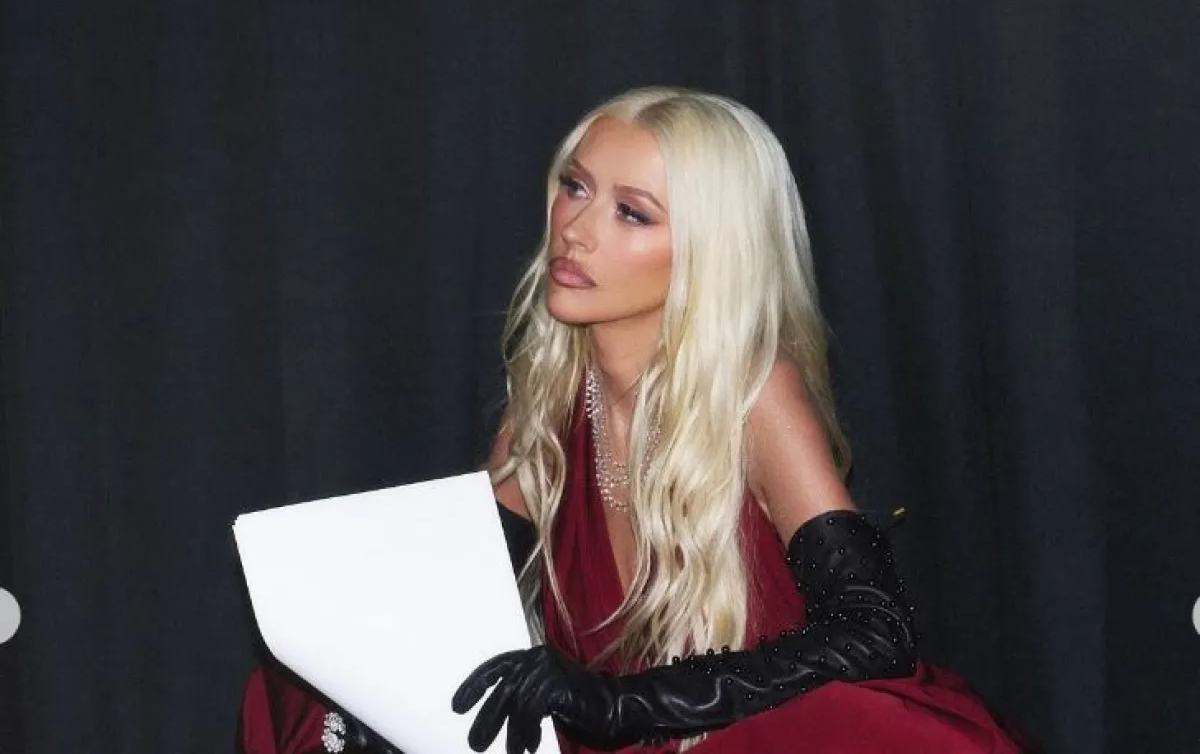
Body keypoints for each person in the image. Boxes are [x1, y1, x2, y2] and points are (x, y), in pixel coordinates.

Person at [237, 86, 1040, 754]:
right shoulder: (547, 409)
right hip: (603, 737)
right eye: (576, 187)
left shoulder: (754, 393)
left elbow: (874, 630)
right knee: (302, 688)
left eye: (632, 213)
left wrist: (622, 704)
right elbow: (445, 607)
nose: (576, 229)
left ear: (709, 250)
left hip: (738, 730)